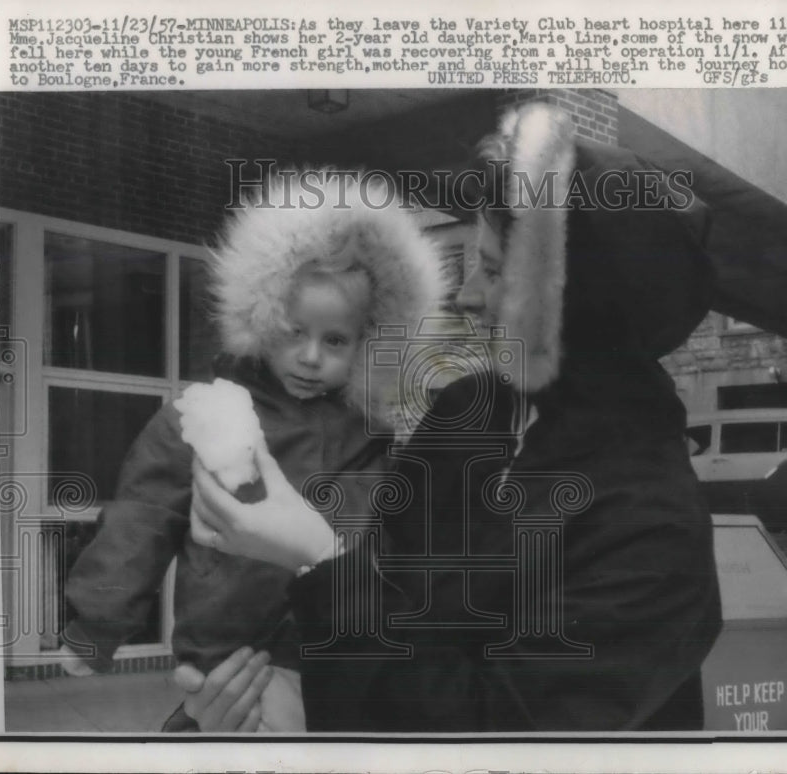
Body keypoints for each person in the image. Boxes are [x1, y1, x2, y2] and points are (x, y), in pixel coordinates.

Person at [177, 103, 723, 732]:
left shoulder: (654, 532)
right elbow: (393, 616)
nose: (466, 296)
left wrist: (318, 553)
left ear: (578, 304)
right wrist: (276, 694)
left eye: (493, 271)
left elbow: (496, 731)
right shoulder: (473, 413)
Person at [57, 171, 444, 731]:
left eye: (335, 340)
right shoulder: (210, 418)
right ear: (261, 321)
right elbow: (140, 520)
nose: (312, 357)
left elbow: (403, 544)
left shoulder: (374, 439)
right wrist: (95, 624)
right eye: (294, 331)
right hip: (226, 651)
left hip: (335, 655)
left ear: (366, 342)